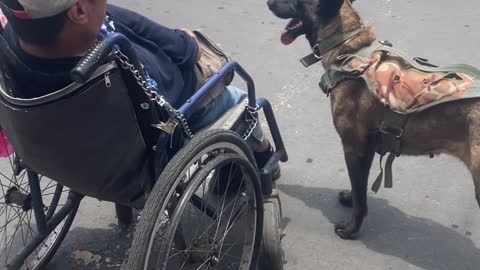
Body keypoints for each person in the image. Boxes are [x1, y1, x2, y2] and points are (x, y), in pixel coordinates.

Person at [0, 0, 280, 177]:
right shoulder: (111, 64)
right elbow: (166, 99)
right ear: (78, 11)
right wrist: (188, 47)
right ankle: (264, 155)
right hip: (157, 131)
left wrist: (182, 45)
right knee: (238, 100)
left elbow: (131, 22)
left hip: (62, 151)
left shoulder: (13, 44)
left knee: (180, 44)